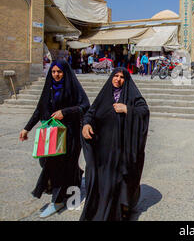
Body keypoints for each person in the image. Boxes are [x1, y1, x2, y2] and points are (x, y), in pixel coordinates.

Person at [19, 60, 90, 218]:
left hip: (70, 134)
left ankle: (57, 201)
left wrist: (65, 112)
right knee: (45, 161)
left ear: (65, 72)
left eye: (59, 72)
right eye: (53, 72)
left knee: (58, 166)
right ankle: (75, 177)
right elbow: (40, 109)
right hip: (51, 134)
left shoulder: (72, 87)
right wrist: (26, 128)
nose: (56, 75)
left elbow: (85, 105)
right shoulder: (49, 87)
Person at [80, 67, 150, 221]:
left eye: (122, 77)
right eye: (115, 76)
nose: (118, 79)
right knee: (103, 180)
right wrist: (86, 124)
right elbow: (90, 113)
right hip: (103, 149)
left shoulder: (132, 95)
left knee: (119, 181)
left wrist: (127, 109)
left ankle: (120, 209)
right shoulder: (104, 95)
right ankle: (102, 207)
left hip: (122, 149)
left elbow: (144, 111)